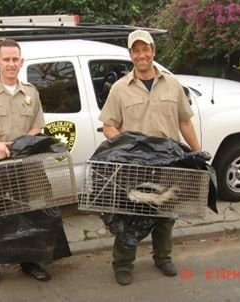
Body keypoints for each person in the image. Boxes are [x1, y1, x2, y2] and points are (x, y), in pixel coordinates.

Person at [0, 39, 70, 290]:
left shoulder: (31, 92)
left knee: (30, 213)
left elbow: (38, 125)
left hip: (25, 164)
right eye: (7, 59)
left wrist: (25, 140)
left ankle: (29, 262)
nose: (11, 64)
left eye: (15, 59)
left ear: (21, 62)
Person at [99, 29, 201, 286]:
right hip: (135, 165)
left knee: (166, 215)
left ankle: (163, 257)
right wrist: (124, 149)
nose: (141, 54)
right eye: (136, 50)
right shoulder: (120, 88)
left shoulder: (172, 83)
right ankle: (122, 264)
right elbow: (109, 126)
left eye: (146, 49)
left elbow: (184, 121)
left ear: (153, 52)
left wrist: (197, 153)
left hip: (169, 162)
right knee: (128, 215)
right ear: (131, 54)